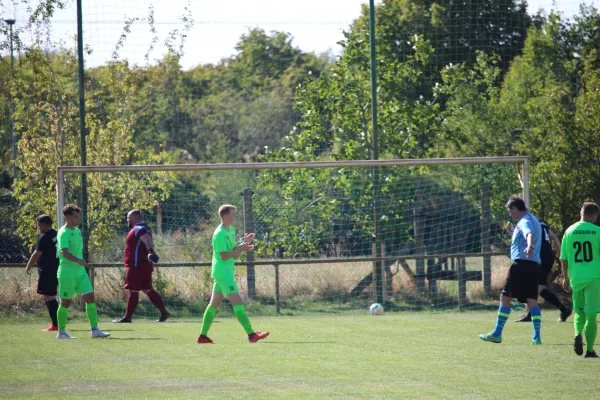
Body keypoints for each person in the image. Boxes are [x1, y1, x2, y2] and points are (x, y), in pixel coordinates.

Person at [197, 204, 269, 344]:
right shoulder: (219, 234)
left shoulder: (230, 230)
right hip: (223, 273)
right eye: (233, 214)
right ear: (225, 216)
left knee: (213, 305)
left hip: (224, 272)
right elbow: (224, 256)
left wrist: (244, 243)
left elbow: (231, 249)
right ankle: (251, 335)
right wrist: (242, 249)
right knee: (237, 302)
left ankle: (202, 336)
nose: (235, 217)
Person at [480, 196, 543, 344]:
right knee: (532, 300)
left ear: (515, 209)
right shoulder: (533, 219)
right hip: (534, 265)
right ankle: (537, 337)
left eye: (510, 211)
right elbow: (526, 235)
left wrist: (530, 246)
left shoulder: (525, 221)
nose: (510, 214)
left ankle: (497, 333)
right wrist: (513, 231)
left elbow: (529, 234)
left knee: (505, 297)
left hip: (521, 264)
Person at [55, 204, 110, 339]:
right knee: (65, 302)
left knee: (90, 298)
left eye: (79, 215)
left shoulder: (77, 231)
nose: (78, 218)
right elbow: (64, 252)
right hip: (67, 273)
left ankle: (95, 330)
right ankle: (61, 332)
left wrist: (80, 262)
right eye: (75, 216)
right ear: (68, 217)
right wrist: (77, 260)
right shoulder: (63, 232)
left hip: (80, 272)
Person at [113, 209, 170, 323]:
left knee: (133, 290)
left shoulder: (139, 229)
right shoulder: (143, 228)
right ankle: (164, 312)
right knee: (147, 289)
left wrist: (151, 251)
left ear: (134, 218)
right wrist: (150, 252)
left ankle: (127, 317)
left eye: (128, 218)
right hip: (144, 264)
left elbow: (147, 239)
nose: (127, 220)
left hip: (137, 264)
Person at [560, 202, 600, 358]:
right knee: (591, 315)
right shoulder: (597, 231)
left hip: (576, 278)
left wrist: (565, 277)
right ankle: (590, 350)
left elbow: (563, 258)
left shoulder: (569, 231)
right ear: (593, 216)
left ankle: (577, 333)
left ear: (580, 213)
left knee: (579, 311)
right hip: (594, 277)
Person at [514, 220, 572, 323]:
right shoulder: (542, 223)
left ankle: (561, 310)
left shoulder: (528, 223)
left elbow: (524, 240)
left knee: (533, 287)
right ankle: (563, 309)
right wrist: (560, 253)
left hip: (539, 257)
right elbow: (554, 237)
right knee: (538, 287)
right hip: (548, 256)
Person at [24, 215, 59, 331]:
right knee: (51, 296)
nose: (38, 228)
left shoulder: (44, 237)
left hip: (47, 270)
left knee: (49, 296)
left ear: (43, 225)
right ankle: (58, 322)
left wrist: (28, 267)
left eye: (38, 225)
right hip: (57, 268)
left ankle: (55, 324)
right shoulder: (56, 234)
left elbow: (36, 254)